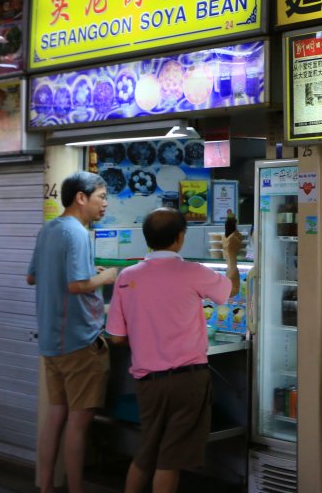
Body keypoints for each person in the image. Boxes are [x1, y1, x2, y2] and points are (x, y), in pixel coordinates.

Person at [105, 208, 243, 493]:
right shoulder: (193, 272)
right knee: (170, 459)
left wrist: (148, 340)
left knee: (146, 452)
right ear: (181, 237)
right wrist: (231, 254)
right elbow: (231, 289)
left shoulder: (127, 277)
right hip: (187, 380)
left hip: (147, 382)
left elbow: (116, 337)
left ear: (147, 238)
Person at [26, 171, 118, 493]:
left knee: (55, 417)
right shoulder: (77, 233)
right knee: (78, 424)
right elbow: (76, 285)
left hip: (51, 342)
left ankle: (47, 487)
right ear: (81, 197)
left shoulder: (48, 229)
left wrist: (84, 275)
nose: (105, 204)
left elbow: (32, 278)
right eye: (101, 197)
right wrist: (105, 278)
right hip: (80, 344)